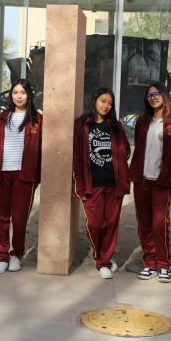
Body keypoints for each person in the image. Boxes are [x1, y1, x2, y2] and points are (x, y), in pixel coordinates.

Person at [129, 82, 171, 283]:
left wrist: (169, 174)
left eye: (156, 94)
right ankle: (150, 263)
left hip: (161, 182)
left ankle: (164, 264)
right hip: (141, 180)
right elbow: (138, 146)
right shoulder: (142, 121)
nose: (153, 98)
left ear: (164, 96)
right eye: (149, 95)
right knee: (144, 223)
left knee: (159, 224)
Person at [0, 79, 43, 274]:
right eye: (15, 92)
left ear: (29, 95)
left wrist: (37, 174)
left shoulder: (37, 119)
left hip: (24, 174)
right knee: (2, 217)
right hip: (2, 173)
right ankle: (2, 256)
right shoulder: (4, 116)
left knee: (19, 218)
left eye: (23, 93)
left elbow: (42, 148)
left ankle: (16, 254)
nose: (19, 96)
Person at [73, 88, 130, 279]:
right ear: (95, 100)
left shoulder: (115, 126)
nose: (106, 106)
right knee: (95, 224)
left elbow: (126, 148)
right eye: (103, 101)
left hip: (114, 184)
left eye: (110, 103)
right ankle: (101, 256)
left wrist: (119, 163)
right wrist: (79, 185)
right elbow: (77, 157)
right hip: (92, 185)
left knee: (111, 223)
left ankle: (104, 261)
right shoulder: (82, 124)